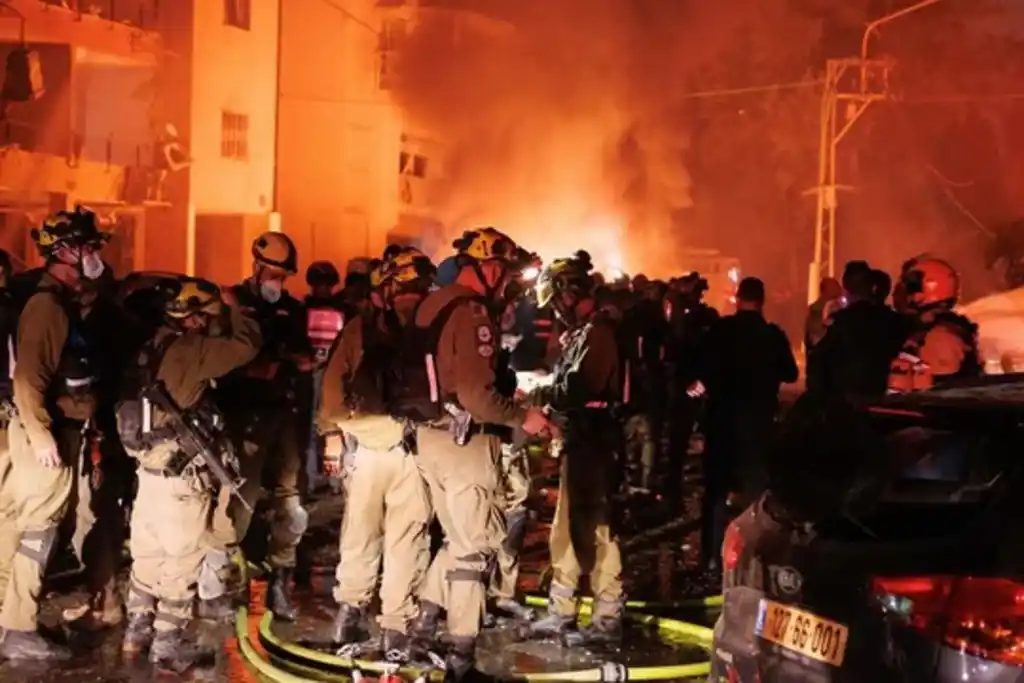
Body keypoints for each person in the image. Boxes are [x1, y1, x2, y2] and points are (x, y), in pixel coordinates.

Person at [407, 227, 558, 679]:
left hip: (430, 439)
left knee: (456, 538)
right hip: (464, 443)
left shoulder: (434, 302)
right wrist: (522, 417)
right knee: (476, 550)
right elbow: (476, 394)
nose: (507, 282)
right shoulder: (471, 313)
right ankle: (461, 660)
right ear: (487, 267)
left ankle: (422, 627)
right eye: (504, 272)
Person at [119, 277, 261, 672]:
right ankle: (168, 643)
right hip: (182, 479)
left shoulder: (152, 346)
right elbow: (246, 347)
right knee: (182, 561)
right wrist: (238, 309)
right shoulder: (192, 349)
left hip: (148, 472)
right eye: (210, 317)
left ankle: (136, 633)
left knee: (147, 557)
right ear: (196, 319)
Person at [0, 207, 109, 659]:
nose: (93, 256)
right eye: (86, 248)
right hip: (44, 436)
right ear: (64, 252)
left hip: (33, 432)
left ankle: (6, 619)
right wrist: (44, 437)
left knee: (10, 522)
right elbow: (29, 379)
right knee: (38, 528)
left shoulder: (54, 301)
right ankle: (20, 628)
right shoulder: (48, 306)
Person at [320, 247, 433, 656]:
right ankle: (396, 630)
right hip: (415, 448)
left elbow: (332, 390)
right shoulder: (434, 326)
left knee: (359, 534)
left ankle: (348, 616)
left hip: (367, 444)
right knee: (407, 539)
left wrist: (335, 433)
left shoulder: (360, 328)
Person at [210, 231, 313, 621]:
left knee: (290, 501)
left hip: (282, 411)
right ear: (255, 266)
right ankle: (220, 583)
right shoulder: (231, 303)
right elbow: (228, 357)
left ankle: (280, 582)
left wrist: (282, 359)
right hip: (243, 414)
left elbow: (300, 357)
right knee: (240, 497)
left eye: (283, 275)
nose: (277, 282)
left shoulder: (292, 309)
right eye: (272, 273)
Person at [527, 252, 627, 644]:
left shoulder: (599, 333)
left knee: (600, 530)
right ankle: (562, 608)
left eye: (555, 301)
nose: (554, 311)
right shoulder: (585, 332)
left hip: (597, 443)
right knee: (566, 529)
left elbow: (580, 388)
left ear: (570, 293)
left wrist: (539, 391)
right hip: (580, 440)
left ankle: (606, 616)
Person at [695, 276, 797, 571]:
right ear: (761, 301)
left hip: (721, 421)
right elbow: (790, 374)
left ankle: (711, 557)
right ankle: (751, 558)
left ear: (738, 299)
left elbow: (701, 367)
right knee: (755, 495)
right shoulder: (772, 336)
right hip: (757, 425)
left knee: (714, 492)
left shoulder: (719, 331)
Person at [806, 261, 904, 398]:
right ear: (872, 287)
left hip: (845, 404)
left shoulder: (838, 323)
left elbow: (817, 367)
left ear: (846, 288)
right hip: (885, 402)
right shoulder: (894, 321)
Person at [887, 256, 981, 393]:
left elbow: (941, 396)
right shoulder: (931, 330)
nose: (901, 293)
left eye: (910, 286)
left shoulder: (940, 337)